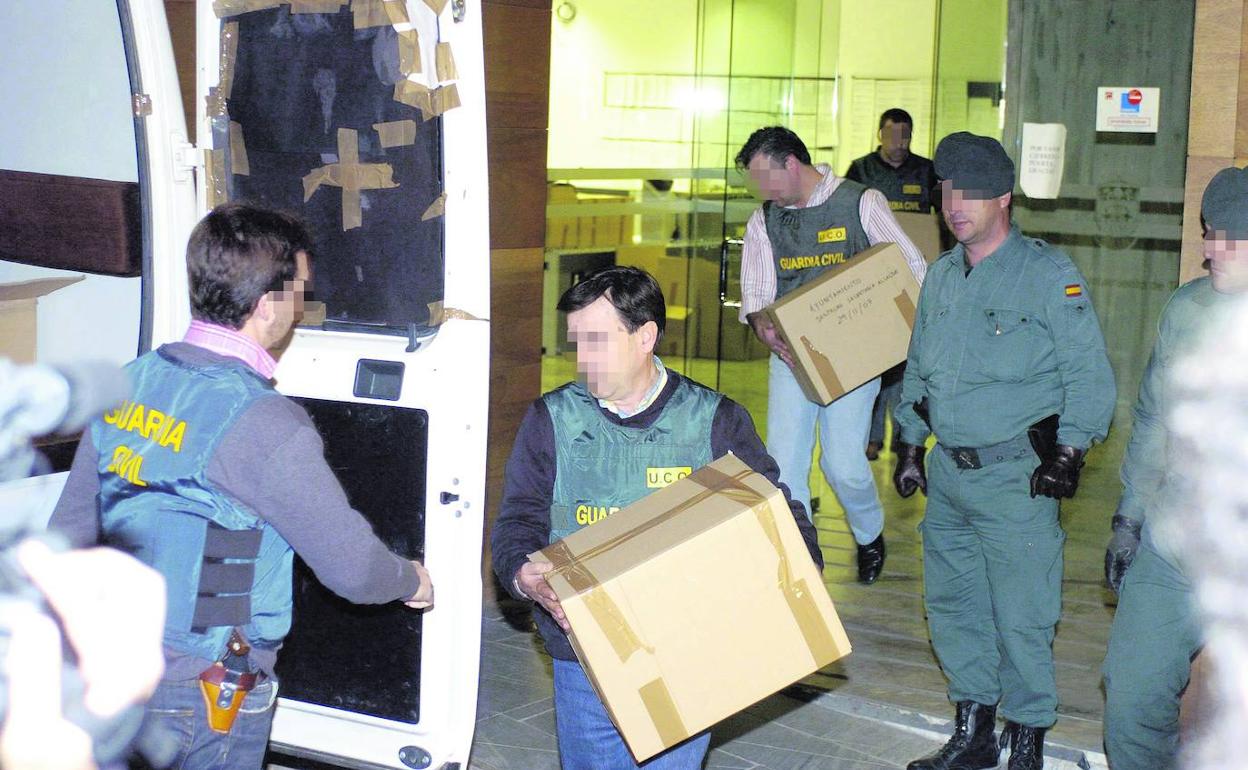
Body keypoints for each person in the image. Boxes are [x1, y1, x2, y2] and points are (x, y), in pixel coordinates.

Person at [47, 203, 434, 770]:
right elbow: (352, 570)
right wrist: (409, 579)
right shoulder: (264, 422)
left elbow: (70, 529)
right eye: (298, 292)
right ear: (268, 304)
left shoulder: (132, 380)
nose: (300, 310)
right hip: (199, 691)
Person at [491, 266, 822, 770]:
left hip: (685, 650)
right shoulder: (551, 419)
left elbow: (776, 514)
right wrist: (523, 574)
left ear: (646, 336)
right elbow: (517, 522)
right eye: (576, 342)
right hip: (584, 651)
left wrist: (799, 577)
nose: (583, 360)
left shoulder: (714, 419)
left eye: (598, 341)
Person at [891, 132, 1115, 770]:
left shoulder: (1048, 277)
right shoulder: (940, 276)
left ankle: (1026, 743)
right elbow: (921, 369)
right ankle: (975, 733)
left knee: (1022, 615)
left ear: (1005, 198)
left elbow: (1088, 375)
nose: (955, 204)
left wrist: (1069, 451)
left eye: (971, 192)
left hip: (1018, 479)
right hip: (950, 476)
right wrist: (910, 439)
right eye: (945, 191)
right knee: (955, 608)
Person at [1101, 167, 1248, 769]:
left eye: (1233, 238)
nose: (1215, 251)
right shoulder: (1185, 308)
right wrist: (1129, 518)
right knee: (1131, 698)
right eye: (1211, 233)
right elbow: (1156, 422)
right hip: (1173, 547)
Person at [735, 125, 927, 585]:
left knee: (843, 466)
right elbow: (757, 293)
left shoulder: (861, 203)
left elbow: (912, 268)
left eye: (765, 177)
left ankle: (868, 535)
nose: (761, 190)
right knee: (784, 464)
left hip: (854, 361)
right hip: (790, 359)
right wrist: (762, 324)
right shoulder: (764, 220)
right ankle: (803, 554)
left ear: (792, 164)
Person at [845, 108, 939, 461]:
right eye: (892, 135)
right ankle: (871, 437)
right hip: (872, 282)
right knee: (874, 364)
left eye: (905, 136)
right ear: (879, 135)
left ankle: (904, 437)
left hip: (913, 280)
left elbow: (940, 222)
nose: (898, 144)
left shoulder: (927, 171)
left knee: (905, 362)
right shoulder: (861, 170)